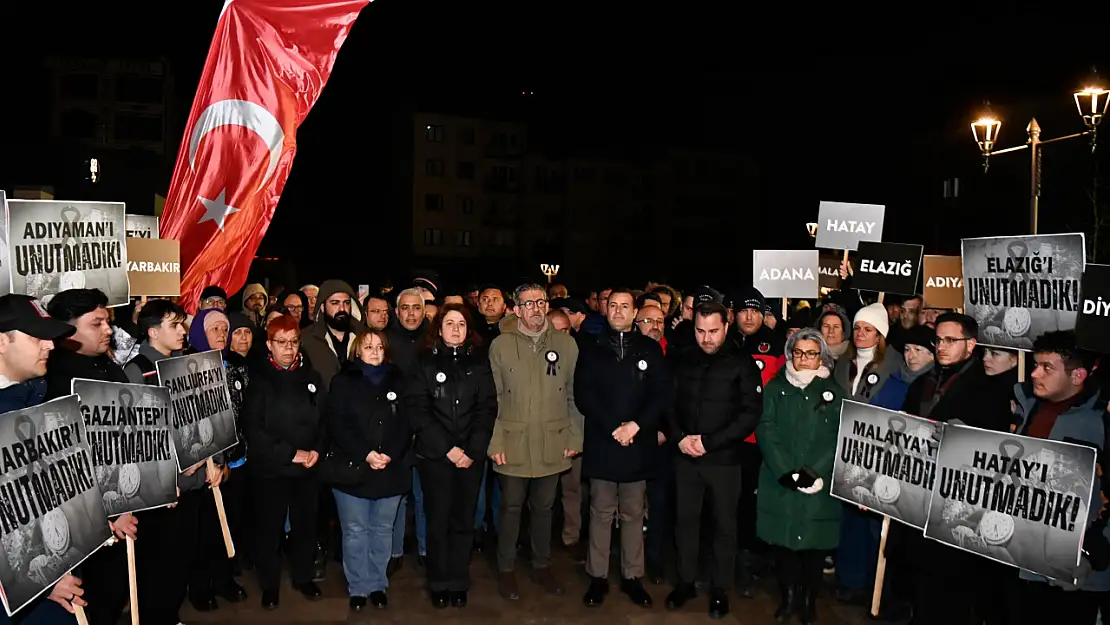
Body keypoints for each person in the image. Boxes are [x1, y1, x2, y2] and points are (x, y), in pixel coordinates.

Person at [665, 301, 763, 619]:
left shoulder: (742, 363)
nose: (707, 338)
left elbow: (750, 414)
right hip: (685, 458)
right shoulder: (681, 360)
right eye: (701, 331)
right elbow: (668, 405)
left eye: (713, 331)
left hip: (723, 460)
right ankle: (685, 582)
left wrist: (709, 443)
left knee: (724, 525)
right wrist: (680, 437)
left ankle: (720, 589)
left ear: (726, 326)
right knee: (685, 522)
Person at [487, 283, 584, 601]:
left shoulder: (566, 345)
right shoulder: (501, 345)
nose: (536, 309)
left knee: (544, 508)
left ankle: (542, 565)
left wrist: (574, 436)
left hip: (552, 441)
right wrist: (496, 442)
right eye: (528, 304)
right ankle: (506, 570)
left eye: (541, 302)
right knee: (511, 509)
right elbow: (495, 398)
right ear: (515, 309)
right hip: (512, 443)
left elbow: (573, 395)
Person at [0, 294, 92, 624]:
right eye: (37, 337)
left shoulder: (46, 401)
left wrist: (94, 517)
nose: (50, 346)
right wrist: (35, 581)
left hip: (61, 586)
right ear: (1, 342)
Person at [575, 288, 669, 608]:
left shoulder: (651, 349)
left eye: (624, 306)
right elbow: (584, 395)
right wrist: (612, 428)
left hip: (637, 443)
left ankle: (632, 577)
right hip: (604, 441)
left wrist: (635, 426)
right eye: (613, 305)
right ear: (606, 310)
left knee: (632, 512)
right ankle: (597, 577)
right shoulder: (591, 349)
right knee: (600, 511)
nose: (618, 311)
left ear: (634, 312)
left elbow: (660, 394)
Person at [408, 304, 496, 608]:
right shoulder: (424, 362)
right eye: (449, 323)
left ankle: (458, 580)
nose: (455, 329)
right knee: (438, 520)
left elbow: (487, 408)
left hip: (471, 458)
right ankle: (438, 581)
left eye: (461, 324)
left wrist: (472, 450)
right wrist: (448, 448)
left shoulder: (479, 362)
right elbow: (418, 410)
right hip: (436, 457)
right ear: (438, 328)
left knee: (463, 520)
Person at [756, 328, 843, 625]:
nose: (804, 359)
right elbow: (765, 428)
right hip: (780, 480)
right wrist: (784, 470)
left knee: (814, 547)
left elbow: (838, 437)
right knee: (784, 546)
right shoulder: (775, 387)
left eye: (811, 353)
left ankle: (809, 602)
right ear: (790, 354)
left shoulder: (833, 391)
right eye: (798, 352)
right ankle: (789, 597)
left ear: (822, 356)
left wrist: (815, 472)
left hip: (818, 482)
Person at [243, 315, 328, 610]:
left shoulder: (312, 377)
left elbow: (323, 421)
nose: (289, 349)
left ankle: (303, 577)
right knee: (269, 530)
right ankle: (269, 585)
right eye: (281, 343)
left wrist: (316, 449)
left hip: (307, 470)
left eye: (293, 342)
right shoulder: (259, 380)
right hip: (271, 470)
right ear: (269, 344)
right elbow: (254, 430)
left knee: (306, 527)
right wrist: (292, 453)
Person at [324, 329, 412, 612]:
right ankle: (358, 587)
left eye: (379, 347)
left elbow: (407, 423)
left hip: (390, 468)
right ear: (357, 351)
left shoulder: (399, 380)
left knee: (382, 529)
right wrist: (366, 454)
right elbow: (337, 424)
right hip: (353, 468)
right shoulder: (343, 381)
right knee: (355, 531)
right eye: (368, 346)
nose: (374, 351)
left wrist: (389, 454)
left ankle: (378, 583)